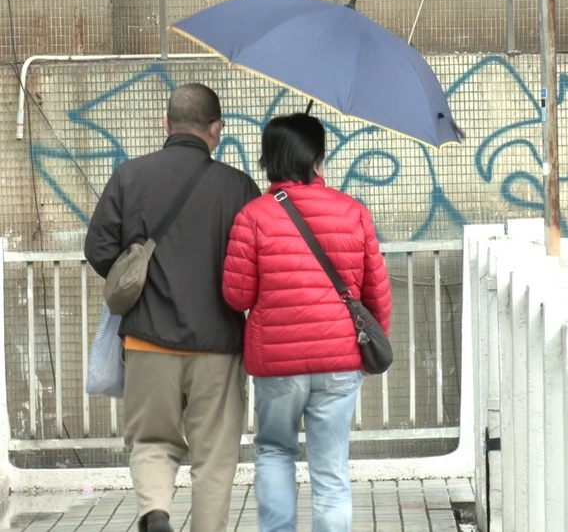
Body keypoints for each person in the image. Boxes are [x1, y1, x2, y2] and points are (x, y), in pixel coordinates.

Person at [84, 83, 261, 532]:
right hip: (218, 347)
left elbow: (99, 250)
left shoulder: (129, 176)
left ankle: (156, 512)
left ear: (166, 124)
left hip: (147, 341)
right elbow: (259, 262)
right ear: (216, 130)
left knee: (150, 442)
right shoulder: (238, 185)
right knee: (215, 456)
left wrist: (138, 272)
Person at [222, 113, 391, 531]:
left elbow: (236, 295)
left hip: (278, 365)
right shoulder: (353, 212)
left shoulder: (253, 216)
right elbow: (376, 295)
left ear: (269, 159)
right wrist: (364, 355)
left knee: (276, 452)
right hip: (339, 361)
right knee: (331, 470)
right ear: (317, 157)